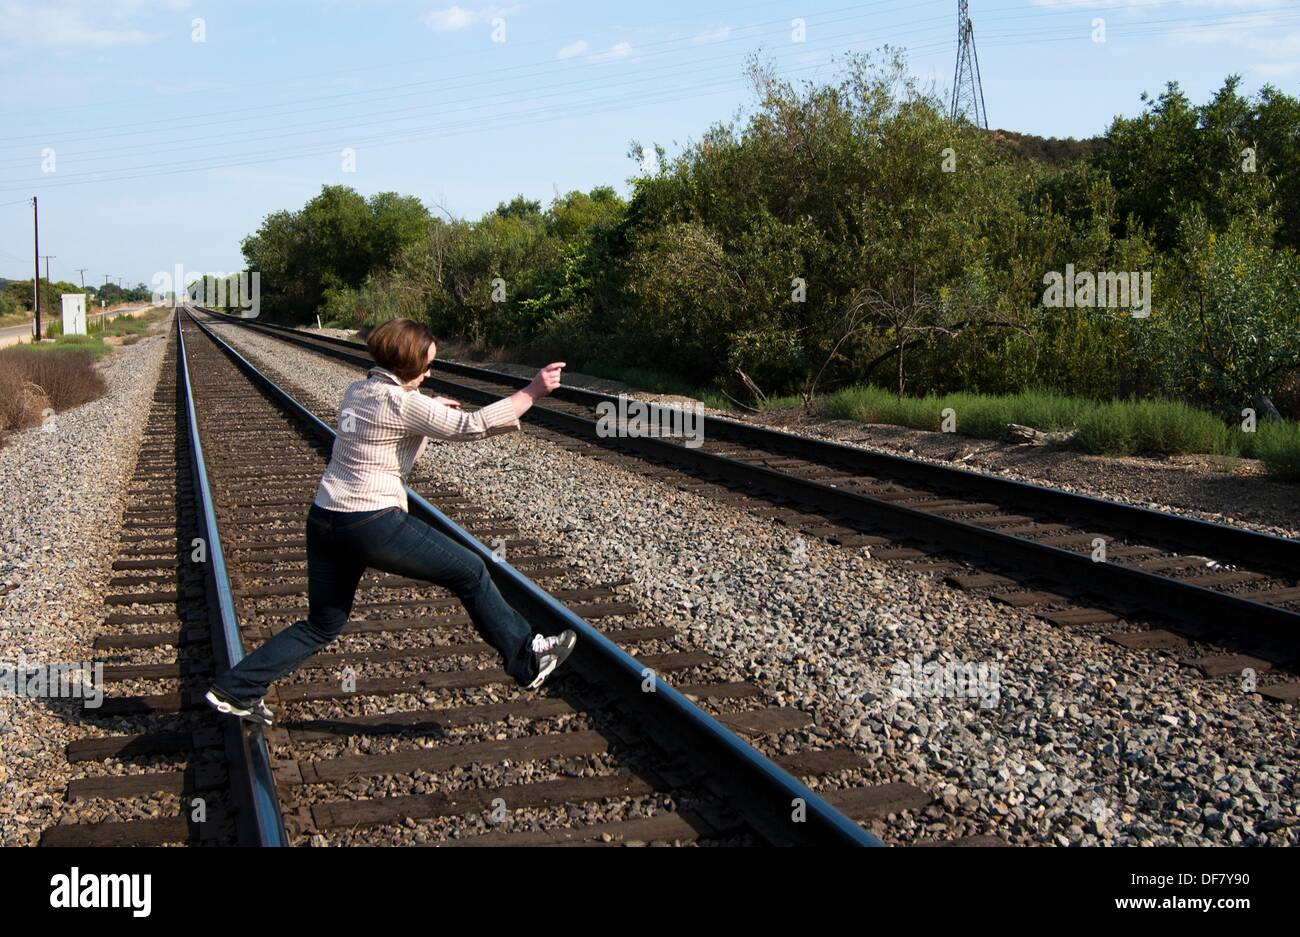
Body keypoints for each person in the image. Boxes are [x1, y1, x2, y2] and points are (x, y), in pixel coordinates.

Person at [205, 317, 575, 726]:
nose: (430, 372)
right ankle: (527, 656)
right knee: (471, 571)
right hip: (371, 522)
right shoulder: (404, 403)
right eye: (426, 367)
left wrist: (428, 411)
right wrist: (532, 391)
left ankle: (235, 690)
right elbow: (470, 426)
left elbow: (396, 439)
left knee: (322, 624)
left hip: (326, 520)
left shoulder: (358, 390)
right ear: (407, 366)